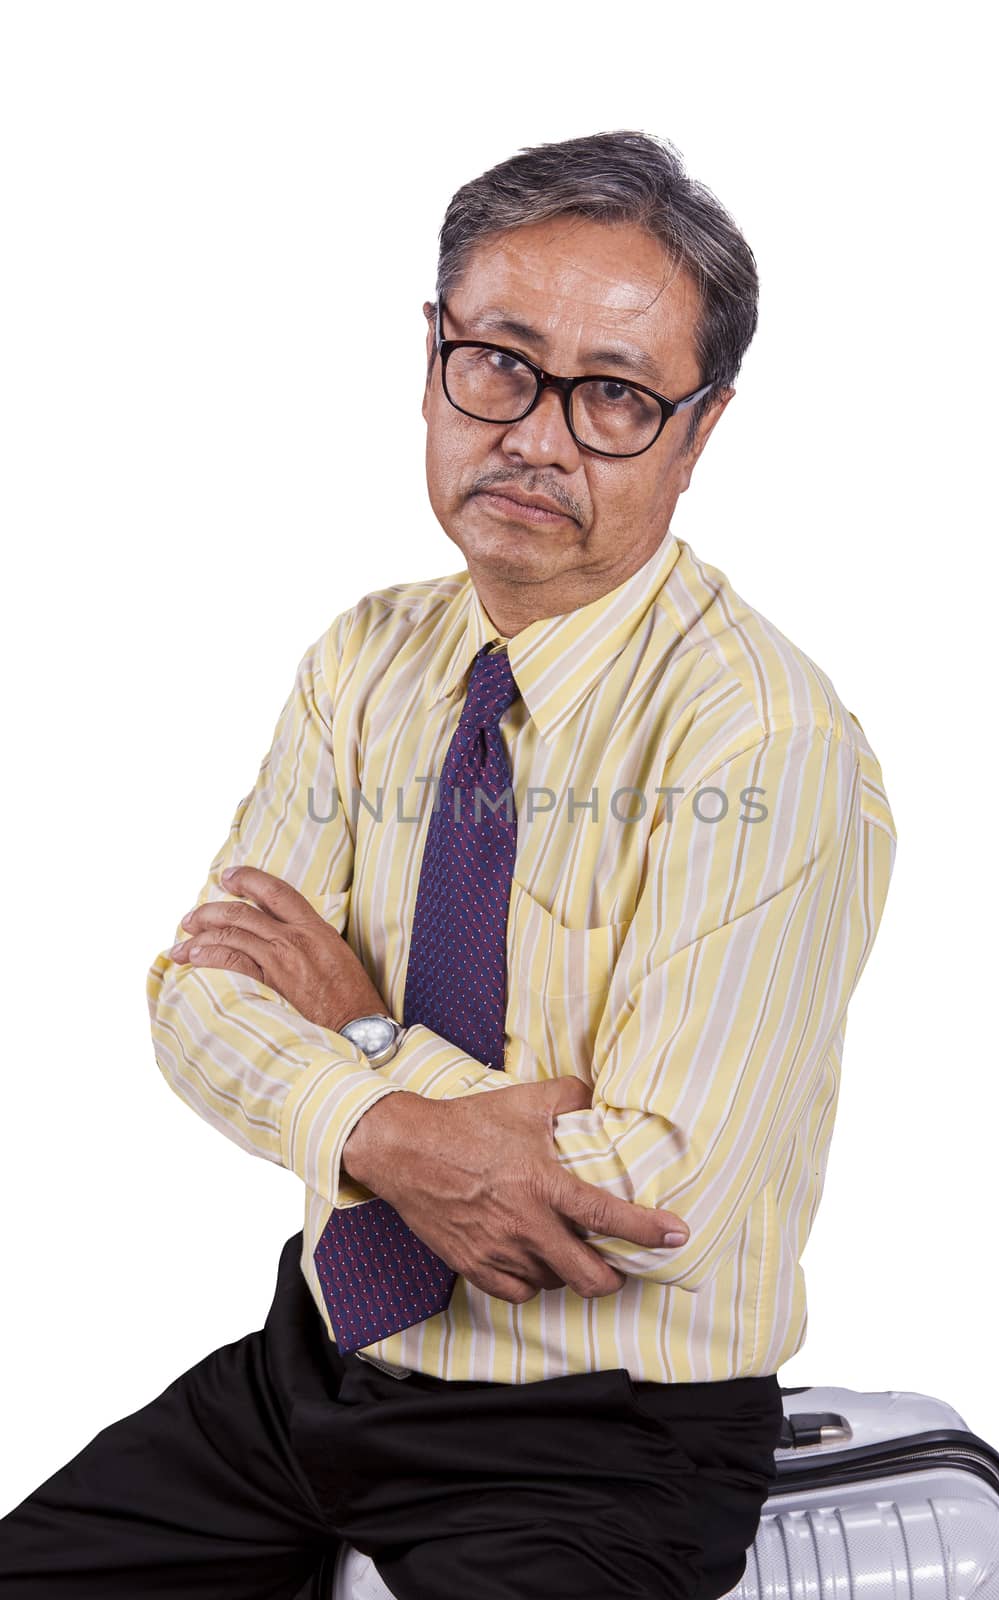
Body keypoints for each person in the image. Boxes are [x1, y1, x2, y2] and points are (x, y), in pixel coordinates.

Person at [0, 129, 897, 1600]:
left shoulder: (762, 741)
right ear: (433, 357)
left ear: (701, 427)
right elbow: (197, 1003)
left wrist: (355, 1039)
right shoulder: (368, 659)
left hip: (601, 1449)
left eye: (613, 396)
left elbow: (657, 1195)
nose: (536, 435)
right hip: (316, 1383)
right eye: (499, 361)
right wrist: (402, 1125)